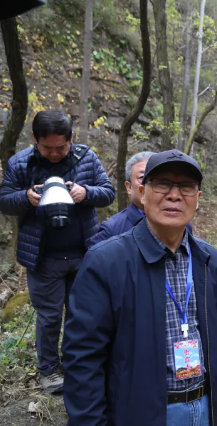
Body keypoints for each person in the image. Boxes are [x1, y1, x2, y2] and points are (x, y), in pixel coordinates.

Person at [62, 150, 217, 426]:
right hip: (140, 413)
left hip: (204, 407)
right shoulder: (106, 262)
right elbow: (82, 358)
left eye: (186, 187)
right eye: (163, 184)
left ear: (198, 198)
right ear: (142, 193)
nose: (174, 195)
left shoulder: (209, 261)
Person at [0, 110, 115, 393]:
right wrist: (26, 197)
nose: (54, 153)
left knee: (82, 314)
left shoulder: (86, 158)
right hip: (43, 257)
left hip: (84, 254)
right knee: (49, 317)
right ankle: (49, 370)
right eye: (47, 147)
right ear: (34, 139)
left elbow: (108, 192)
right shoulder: (21, 163)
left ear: (71, 139)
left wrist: (86, 193)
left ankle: (79, 366)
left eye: (61, 147)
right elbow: (4, 200)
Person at [89, 151, 191, 246]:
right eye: (142, 177)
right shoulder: (112, 230)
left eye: (158, 180)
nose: (149, 183)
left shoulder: (180, 222)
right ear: (129, 187)